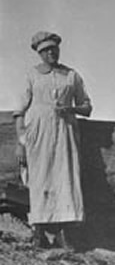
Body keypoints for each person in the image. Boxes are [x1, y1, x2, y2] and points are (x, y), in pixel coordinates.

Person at [14, 31, 93, 249]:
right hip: (37, 134)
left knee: (65, 179)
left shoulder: (71, 75)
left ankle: (63, 234)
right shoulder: (32, 75)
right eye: (46, 50)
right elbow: (19, 112)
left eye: (54, 49)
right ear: (39, 53)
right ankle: (39, 232)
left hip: (65, 132)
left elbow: (87, 107)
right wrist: (21, 143)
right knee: (40, 179)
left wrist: (71, 108)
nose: (51, 53)